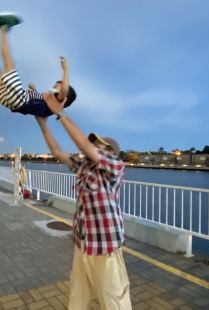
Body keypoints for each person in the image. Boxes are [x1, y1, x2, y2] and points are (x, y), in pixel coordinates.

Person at [35, 93, 132, 309]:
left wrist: (60, 112)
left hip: (105, 247)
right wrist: (43, 124)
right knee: (78, 297)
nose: (92, 146)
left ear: (110, 151)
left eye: (98, 144)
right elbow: (58, 152)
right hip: (83, 245)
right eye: (93, 143)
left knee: (114, 300)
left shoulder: (115, 166)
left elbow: (84, 146)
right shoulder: (84, 167)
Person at [0, 12, 76, 117]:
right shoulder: (47, 102)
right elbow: (38, 108)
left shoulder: (58, 101)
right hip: (10, 102)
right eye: (55, 85)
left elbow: (64, 90)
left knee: (9, 64)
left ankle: (3, 26)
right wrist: (35, 90)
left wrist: (66, 70)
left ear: (65, 99)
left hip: (20, 99)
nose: (54, 87)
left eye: (57, 86)